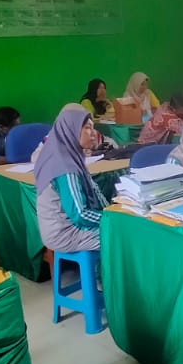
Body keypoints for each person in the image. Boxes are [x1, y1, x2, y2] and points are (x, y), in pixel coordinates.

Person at [34, 107, 109, 254]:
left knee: (122, 228)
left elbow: (94, 191)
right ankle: (110, 277)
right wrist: (112, 219)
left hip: (65, 226)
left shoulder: (64, 154)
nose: (93, 134)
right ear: (72, 131)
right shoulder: (65, 167)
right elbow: (80, 214)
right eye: (88, 128)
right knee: (123, 237)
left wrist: (111, 212)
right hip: (66, 232)